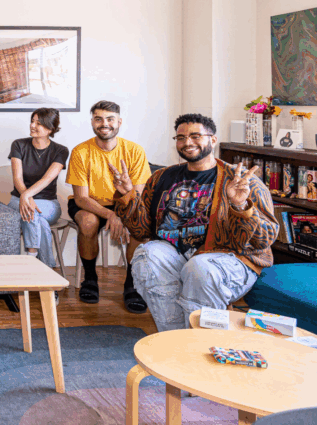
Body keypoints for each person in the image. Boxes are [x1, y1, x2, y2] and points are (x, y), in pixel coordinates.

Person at [111, 114, 278, 331]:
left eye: (195, 136)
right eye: (181, 137)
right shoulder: (161, 177)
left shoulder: (243, 182)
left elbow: (263, 240)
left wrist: (240, 207)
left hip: (231, 258)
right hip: (178, 255)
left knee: (200, 268)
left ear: (213, 140)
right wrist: (127, 197)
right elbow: (142, 231)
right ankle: (173, 336)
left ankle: (203, 340)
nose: (187, 142)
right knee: (146, 254)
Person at [65, 100, 151, 313]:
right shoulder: (80, 151)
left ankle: (132, 284)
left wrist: (121, 213)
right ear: (92, 122)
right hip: (91, 205)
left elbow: (138, 195)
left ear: (119, 122)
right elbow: (81, 198)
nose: (105, 124)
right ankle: (90, 279)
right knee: (87, 222)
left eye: (110, 119)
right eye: (99, 119)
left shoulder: (135, 151)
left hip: (126, 203)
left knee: (141, 225)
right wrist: (110, 215)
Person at [8, 108, 69, 270]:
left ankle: (31, 257)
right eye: (32, 121)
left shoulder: (61, 150)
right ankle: (46, 271)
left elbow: (47, 179)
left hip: (48, 204)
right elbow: (17, 178)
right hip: (17, 201)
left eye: (39, 123)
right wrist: (25, 197)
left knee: (33, 212)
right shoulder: (19, 145)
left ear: (50, 129)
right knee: (36, 218)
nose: (32, 125)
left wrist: (27, 196)